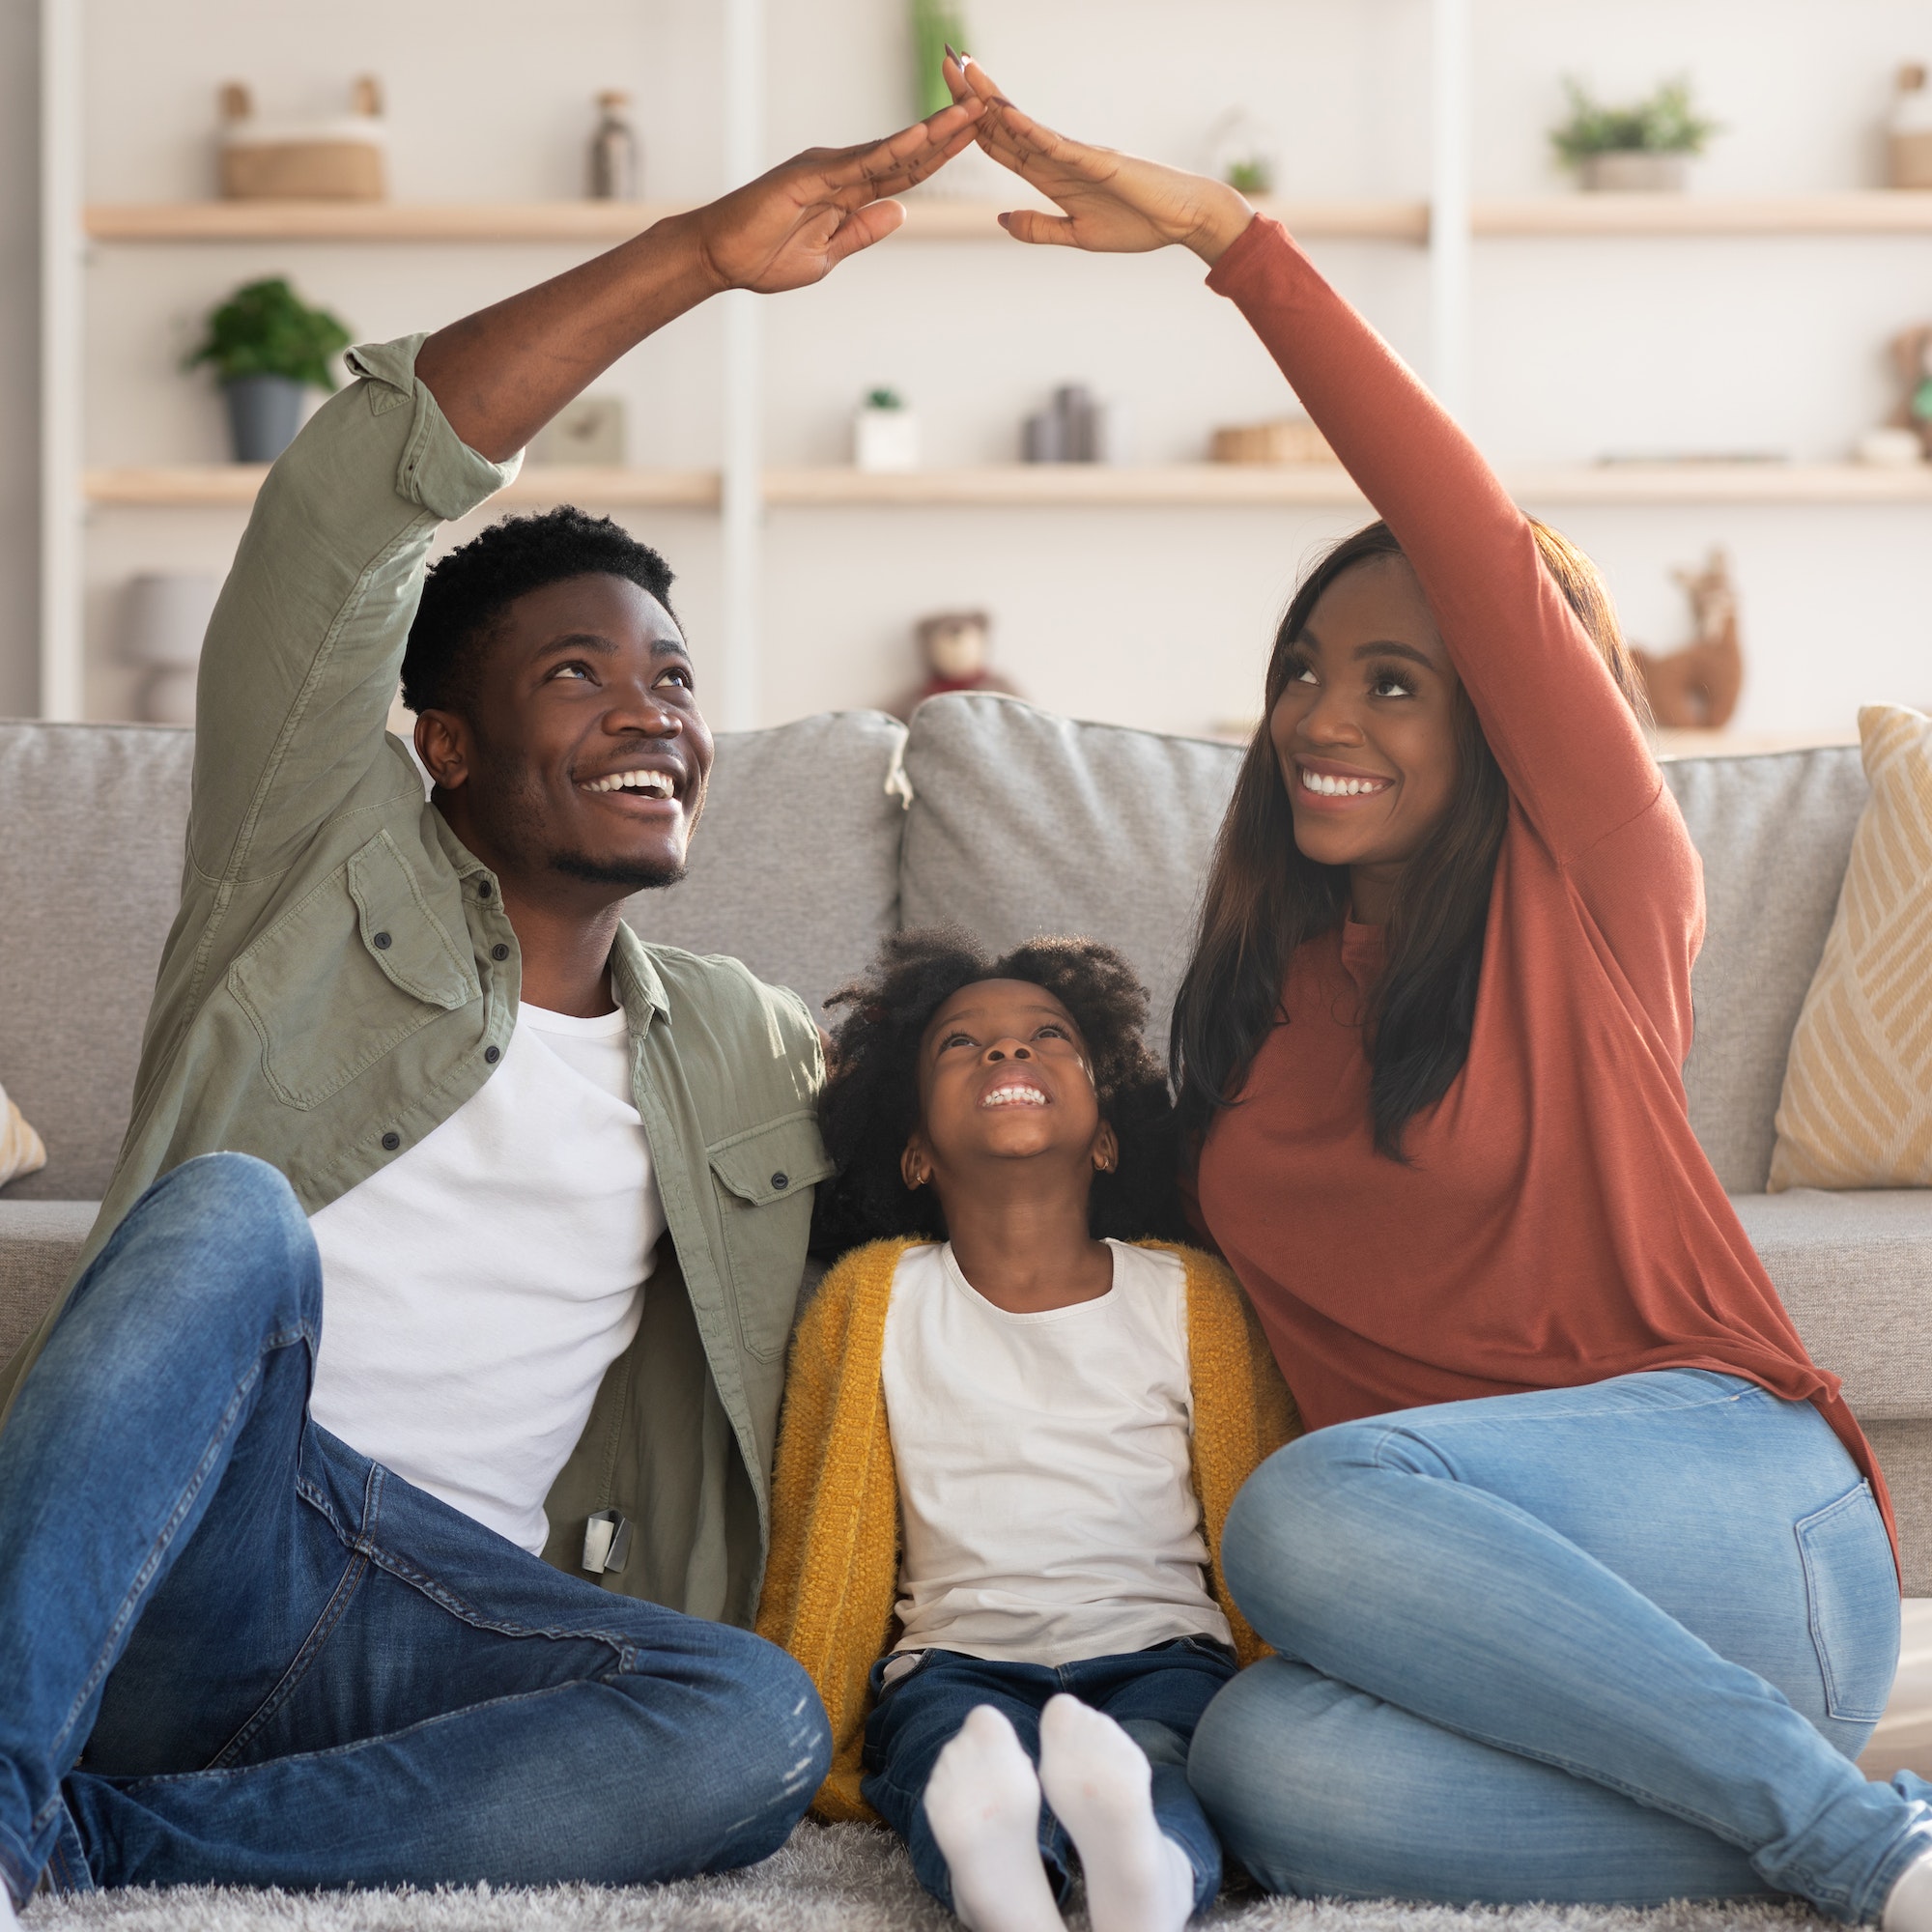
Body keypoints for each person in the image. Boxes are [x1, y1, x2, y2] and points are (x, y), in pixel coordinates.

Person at [946, 53, 1932, 1931]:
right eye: (1308, 669)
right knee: (1263, 1770)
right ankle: (1835, 1808)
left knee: (1303, 1516)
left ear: (1505, 712)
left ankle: (1858, 1847)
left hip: (1731, 1516)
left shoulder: (1598, 894)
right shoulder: (1252, 1006)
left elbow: (1469, 544)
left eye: (1396, 681)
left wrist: (1237, 247)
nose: (1322, 714)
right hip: (1511, 1623)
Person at [0, 97, 989, 1917]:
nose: (653, 714)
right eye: (580, 673)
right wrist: (699, 254)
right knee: (224, 1219)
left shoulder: (748, 1046)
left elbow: (975, 1187)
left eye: (675, 680)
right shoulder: (307, 861)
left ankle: (101, 1856)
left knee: (750, 1723)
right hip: (195, 1548)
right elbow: (348, 495)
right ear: (438, 744)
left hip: (452, 1617)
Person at [755, 931, 1297, 1932]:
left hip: (1163, 1651)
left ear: (1105, 1130)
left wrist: (1276, 1674)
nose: (1006, 1053)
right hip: (956, 1660)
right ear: (912, 1147)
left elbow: (1260, 1507)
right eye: (962, 1045)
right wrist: (808, 1717)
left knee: (1162, 1761)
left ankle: (1146, 1870)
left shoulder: (1191, 1294)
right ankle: (999, 1876)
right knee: (947, 1762)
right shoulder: (870, 1297)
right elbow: (823, 1529)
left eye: (1046, 1036)